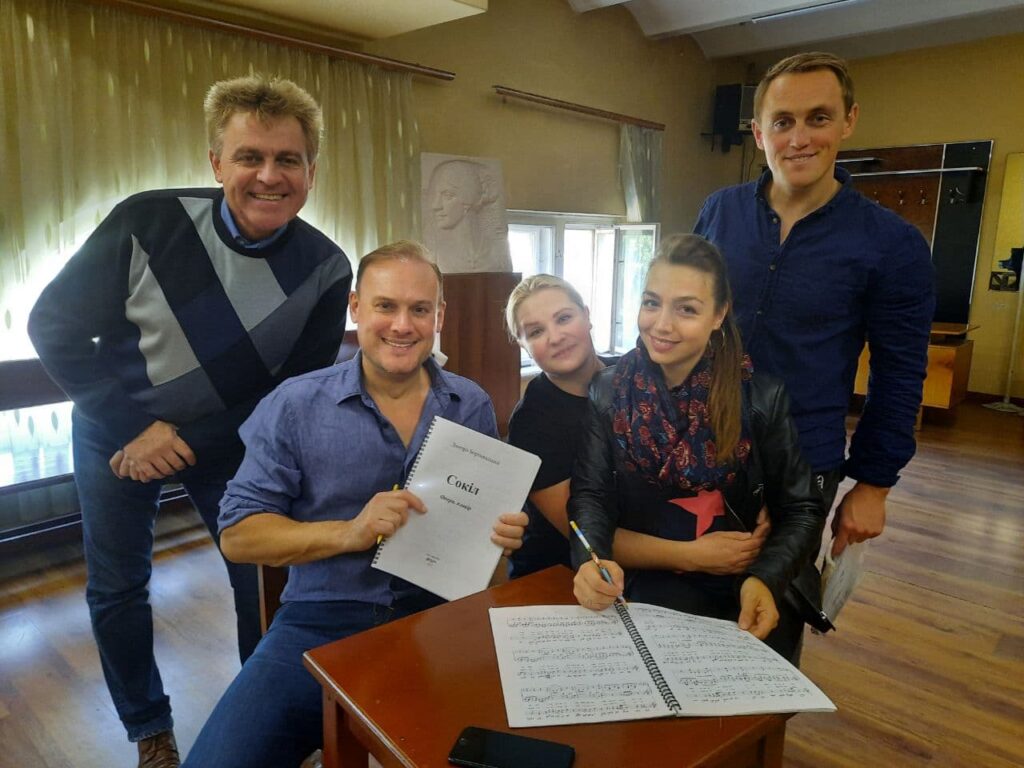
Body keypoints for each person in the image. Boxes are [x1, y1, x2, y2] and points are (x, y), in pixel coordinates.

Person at [27, 75, 351, 767]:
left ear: (311, 171)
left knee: (260, 578)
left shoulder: (327, 267)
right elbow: (52, 325)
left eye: (288, 160)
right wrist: (134, 428)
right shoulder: (147, 220)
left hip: (230, 440)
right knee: (117, 587)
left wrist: (185, 441)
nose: (269, 176)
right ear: (216, 163)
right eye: (249, 157)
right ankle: (149, 729)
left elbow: (292, 393)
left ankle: (262, 717)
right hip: (115, 428)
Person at [183, 241, 528, 768]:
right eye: (386, 306)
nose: (402, 326)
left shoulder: (470, 403)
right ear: (356, 308)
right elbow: (238, 535)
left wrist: (497, 541)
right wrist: (350, 531)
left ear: (439, 316)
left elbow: (482, 550)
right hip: (319, 622)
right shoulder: (295, 405)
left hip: (439, 621)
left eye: (419, 309)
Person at [694, 52, 935, 558]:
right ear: (759, 133)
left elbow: (899, 373)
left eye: (818, 118)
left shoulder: (893, 244)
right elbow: (677, 316)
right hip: (695, 444)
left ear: (848, 121)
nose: (799, 139)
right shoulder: (719, 211)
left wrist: (873, 485)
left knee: (772, 601)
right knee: (676, 593)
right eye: (782, 122)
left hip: (800, 464)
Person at [570, 234, 827, 662]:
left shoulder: (759, 398)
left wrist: (765, 577)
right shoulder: (609, 390)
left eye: (686, 309)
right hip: (651, 583)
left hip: (742, 583)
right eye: (651, 303)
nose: (661, 325)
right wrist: (590, 560)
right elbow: (591, 494)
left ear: (719, 315)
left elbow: (801, 508)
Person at [504, 274, 614, 578]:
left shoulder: (632, 374)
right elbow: (587, 537)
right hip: (559, 575)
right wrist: (691, 555)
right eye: (536, 331)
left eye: (564, 318)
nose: (555, 337)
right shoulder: (531, 424)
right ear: (523, 345)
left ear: (587, 316)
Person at [424, 158, 511, 273]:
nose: (435, 205)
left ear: (469, 198)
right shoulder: (433, 254)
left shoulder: (497, 253)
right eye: (434, 195)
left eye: (448, 195)